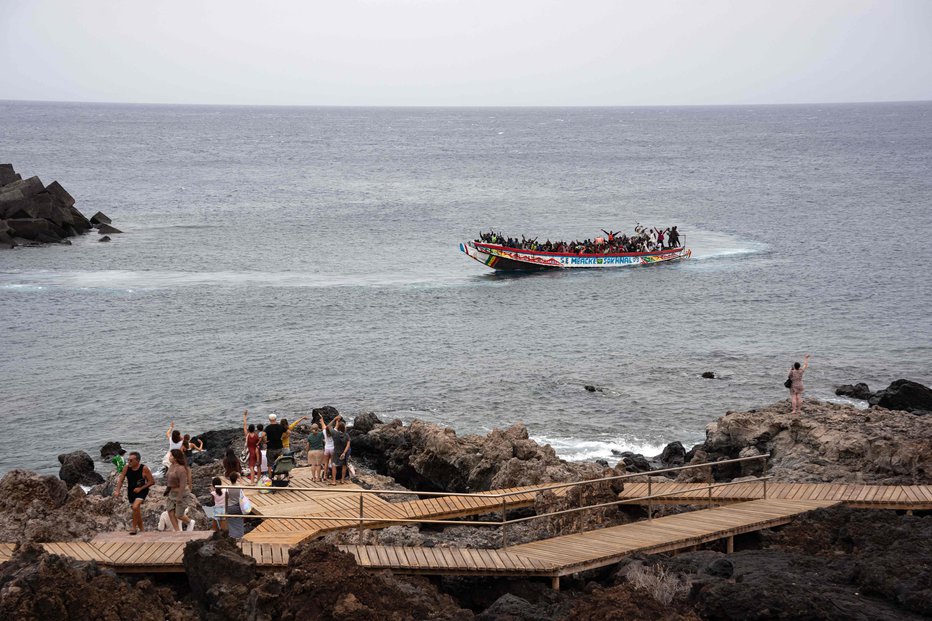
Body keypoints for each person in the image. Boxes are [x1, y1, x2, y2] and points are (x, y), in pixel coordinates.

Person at [113, 451, 154, 535]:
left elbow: (152, 481)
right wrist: (117, 490)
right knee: (137, 511)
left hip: (142, 491)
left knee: (135, 507)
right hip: (131, 491)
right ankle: (142, 530)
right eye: (128, 460)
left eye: (131, 460)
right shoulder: (126, 468)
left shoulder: (144, 469)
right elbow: (121, 480)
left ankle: (133, 528)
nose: (129, 462)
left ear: (137, 461)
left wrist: (140, 488)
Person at [165, 448, 193, 531]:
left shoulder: (181, 469)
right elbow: (169, 479)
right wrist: (167, 490)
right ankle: (177, 531)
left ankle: (190, 522)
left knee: (179, 515)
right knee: (170, 511)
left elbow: (183, 484)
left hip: (181, 493)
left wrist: (180, 497)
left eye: (170, 456)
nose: (169, 457)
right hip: (171, 493)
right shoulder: (171, 466)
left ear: (175, 458)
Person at [329, 419, 351, 485]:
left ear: (338, 427)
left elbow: (329, 426)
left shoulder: (334, 434)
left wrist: (335, 420)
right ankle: (342, 480)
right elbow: (348, 444)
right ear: (344, 428)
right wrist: (344, 453)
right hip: (343, 452)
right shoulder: (346, 435)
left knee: (334, 465)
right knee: (344, 466)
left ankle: (334, 481)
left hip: (336, 451)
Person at [243, 410, 260, 483]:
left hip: (250, 452)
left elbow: (244, 426)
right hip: (256, 452)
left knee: (251, 467)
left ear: (249, 429)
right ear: (254, 429)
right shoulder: (256, 435)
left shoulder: (247, 435)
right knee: (258, 465)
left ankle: (252, 481)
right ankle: (258, 479)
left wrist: (245, 416)